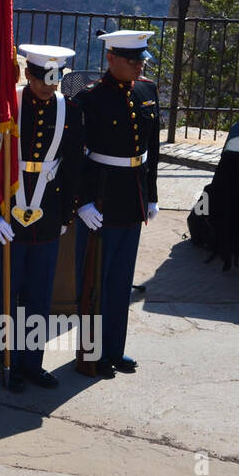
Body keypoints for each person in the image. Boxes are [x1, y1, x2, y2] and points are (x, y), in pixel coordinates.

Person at [0, 44, 84, 392]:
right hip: (9, 213)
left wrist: (66, 213)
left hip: (47, 212)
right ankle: (6, 359)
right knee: (6, 291)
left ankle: (33, 361)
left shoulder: (69, 110)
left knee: (39, 293)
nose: (49, 86)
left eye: (55, 79)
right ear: (28, 74)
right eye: (43, 78)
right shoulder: (9, 107)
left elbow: (72, 164)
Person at [71, 30, 160, 379]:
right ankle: (92, 354)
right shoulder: (89, 99)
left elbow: (152, 151)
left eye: (141, 60)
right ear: (111, 58)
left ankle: (114, 350)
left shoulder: (147, 90)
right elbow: (74, 156)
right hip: (101, 198)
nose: (139, 66)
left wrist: (151, 194)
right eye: (132, 60)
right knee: (95, 281)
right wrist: (82, 202)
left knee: (121, 280)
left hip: (132, 196)